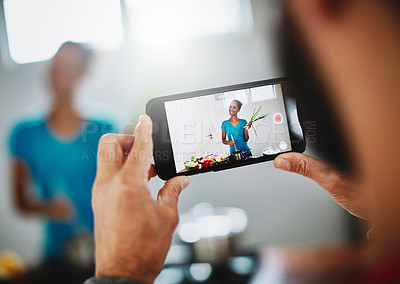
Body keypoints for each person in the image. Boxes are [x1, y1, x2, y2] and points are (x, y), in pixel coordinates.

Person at [85, 0, 400, 283]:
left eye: (237, 107)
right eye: (232, 107)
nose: (234, 109)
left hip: (246, 148)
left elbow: (245, 137)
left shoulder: (245, 121)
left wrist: (121, 273)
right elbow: (224, 140)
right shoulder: (224, 122)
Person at [9, 42, 115, 261]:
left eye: (70, 66)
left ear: (84, 74)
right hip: (59, 255)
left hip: (109, 249)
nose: (60, 72)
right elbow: (20, 202)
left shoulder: (106, 128)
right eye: (57, 64)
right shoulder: (25, 134)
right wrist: (49, 208)